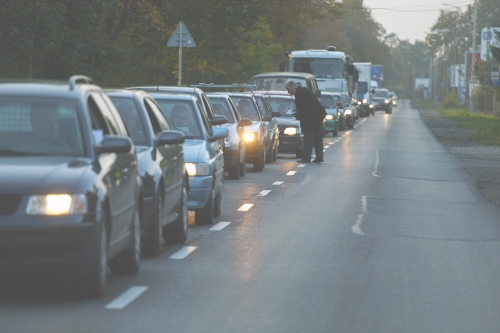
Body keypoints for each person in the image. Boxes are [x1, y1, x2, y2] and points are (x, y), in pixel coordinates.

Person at [285, 81, 326, 163]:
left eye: (289, 91)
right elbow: (307, 105)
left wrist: (296, 114)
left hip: (311, 119)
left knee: (308, 138)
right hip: (318, 116)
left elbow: (303, 109)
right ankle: (319, 157)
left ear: (293, 88)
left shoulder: (299, 94)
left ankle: (307, 158)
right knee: (318, 138)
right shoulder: (304, 90)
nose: (289, 93)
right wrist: (298, 111)